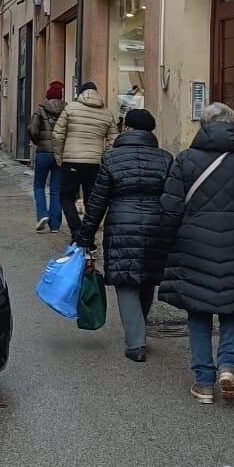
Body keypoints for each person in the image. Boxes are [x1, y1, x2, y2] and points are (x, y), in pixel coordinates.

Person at [159, 102, 234, 404]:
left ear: (203, 126)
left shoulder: (185, 160)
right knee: (232, 309)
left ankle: (204, 382)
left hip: (194, 244)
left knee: (198, 312)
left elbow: (170, 210)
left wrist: (169, 243)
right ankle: (227, 366)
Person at [75, 109, 173, 362]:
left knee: (126, 280)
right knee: (147, 277)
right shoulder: (165, 158)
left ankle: (135, 342)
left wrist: (85, 236)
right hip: (156, 224)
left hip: (121, 224)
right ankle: (138, 328)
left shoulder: (111, 158)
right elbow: (173, 199)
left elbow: (97, 201)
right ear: (151, 131)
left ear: (126, 128)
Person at [52, 81, 117, 233]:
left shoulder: (70, 108)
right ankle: (88, 235)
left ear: (81, 93)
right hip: (94, 163)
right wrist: (104, 158)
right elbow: (113, 140)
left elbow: (57, 135)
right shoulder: (106, 113)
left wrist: (59, 156)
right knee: (92, 201)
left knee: (66, 197)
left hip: (71, 161)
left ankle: (76, 231)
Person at [27, 81, 66, 233]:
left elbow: (32, 129)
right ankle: (55, 225)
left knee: (39, 186)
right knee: (56, 189)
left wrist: (37, 142)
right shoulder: (66, 110)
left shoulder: (40, 110)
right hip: (59, 154)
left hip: (43, 152)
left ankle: (42, 214)